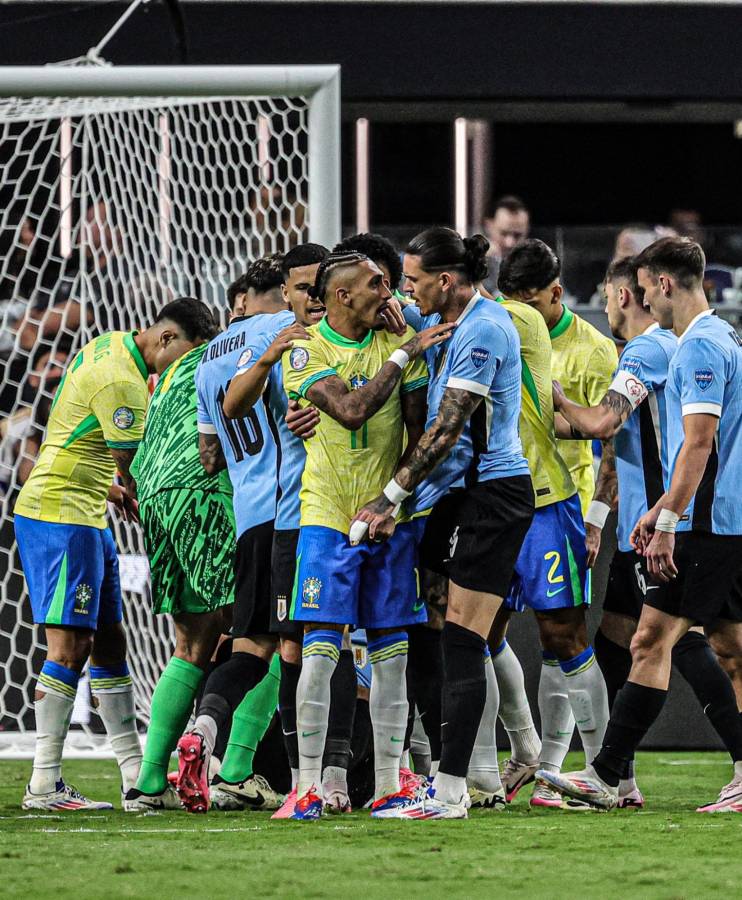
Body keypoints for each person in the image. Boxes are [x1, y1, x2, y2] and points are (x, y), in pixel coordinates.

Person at [539, 236, 742, 813]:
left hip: (700, 522)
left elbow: (695, 442)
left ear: (662, 284)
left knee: (651, 640)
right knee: (727, 647)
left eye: (647, 285)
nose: (644, 298)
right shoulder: (715, 336)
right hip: (713, 517)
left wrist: (669, 517)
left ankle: (606, 776)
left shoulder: (691, 346)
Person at [353, 227, 534, 819]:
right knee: (437, 626)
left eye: (413, 280)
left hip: (492, 495)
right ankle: (453, 774)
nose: (406, 290)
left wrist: (388, 499)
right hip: (459, 499)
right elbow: (404, 311)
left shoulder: (483, 329)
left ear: (446, 281)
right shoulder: (448, 317)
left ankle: (456, 788)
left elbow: (449, 427)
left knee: (463, 636)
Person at [14, 298, 213, 810]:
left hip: (85, 509)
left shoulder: (108, 343)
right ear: (167, 339)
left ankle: (134, 777)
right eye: (185, 356)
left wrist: (110, 488)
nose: (184, 369)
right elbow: (135, 463)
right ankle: (43, 783)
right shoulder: (125, 381)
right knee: (70, 646)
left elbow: (76, 433)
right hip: (60, 515)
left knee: (109, 642)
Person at [282, 250, 451, 820]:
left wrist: (393, 504)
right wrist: (406, 352)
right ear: (343, 296)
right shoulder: (307, 350)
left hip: (386, 521)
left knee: (391, 655)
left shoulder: (399, 333)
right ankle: (305, 787)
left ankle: (387, 785)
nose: (391, 290)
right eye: (377, 283)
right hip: (327, 516)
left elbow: (415, 428)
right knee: (323, 653)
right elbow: (352, 410)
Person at [123, 279, 284, 812]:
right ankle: (236, 770)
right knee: (263, 632)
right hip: (206, 495)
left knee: (191, 643)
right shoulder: (252, 346)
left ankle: (149, 783)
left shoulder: (167, 375)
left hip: (155, 495)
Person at [223, 243, 361, 818]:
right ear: (286, 293)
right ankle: (299, 778)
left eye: (316, 286)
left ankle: (344, 775)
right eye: (300, 287)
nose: (308, 297)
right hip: (290, 518)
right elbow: (233, 406)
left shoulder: (362, 335)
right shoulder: (283, 345)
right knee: (292, 646)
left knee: (359, 645)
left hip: (355, 513)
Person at [489, 243, 611, 808]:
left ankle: (596, 771)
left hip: (556, 505)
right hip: (496, 501)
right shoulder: (493, 323)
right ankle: (528, 753)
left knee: (560, 637)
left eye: (530, 302)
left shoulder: (593, 351)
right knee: (484, 633)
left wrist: (596, 520)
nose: (519, 312)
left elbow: (614, 443)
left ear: (555, 294)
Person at [481, 195, 530, 295]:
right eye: (503, 233)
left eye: (517, 235)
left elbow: (565, 301)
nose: (509, 243)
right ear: (488, 226)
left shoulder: (536, 263)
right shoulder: (471, 260)